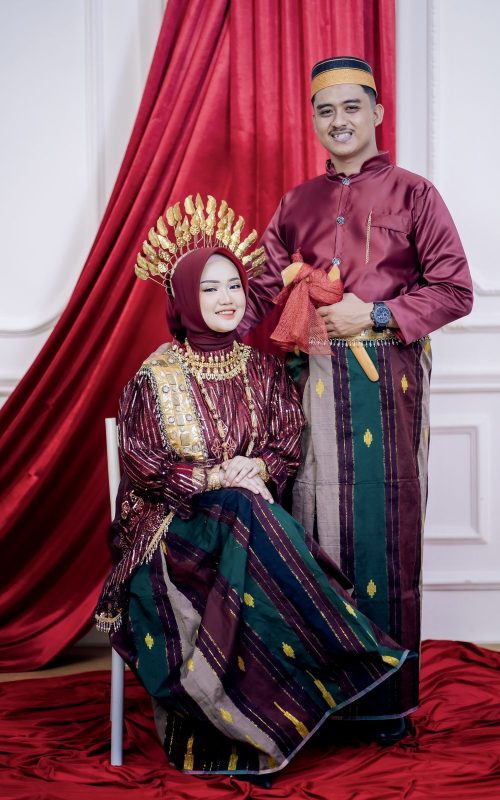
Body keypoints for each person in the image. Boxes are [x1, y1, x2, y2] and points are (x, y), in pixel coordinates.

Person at [95, 195, 412, 779]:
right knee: (242, 507)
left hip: (245, 531)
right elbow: (144, 467)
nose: (226, 299)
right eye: (209, 288)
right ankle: (342, 641)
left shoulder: (262, 369)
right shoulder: (155, 375)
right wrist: (223, 477)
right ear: (183, 297)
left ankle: (283, 698)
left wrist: (259, 467)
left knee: (245, 509)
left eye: (234, 287)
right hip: (171, 537)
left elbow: (286, 441)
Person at [238, 57, 474, 741]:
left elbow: (455, 289)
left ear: (376, 113)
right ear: (313, 120)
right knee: (309, 531)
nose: (338, 121)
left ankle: (383, 704)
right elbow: (258, 290)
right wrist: (201, 310)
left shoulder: (415, 195)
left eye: (350, 107)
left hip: (385, 388)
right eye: (324, 110)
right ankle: (319, 700)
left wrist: (373, 314)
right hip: (306, 390)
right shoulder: (296, 204)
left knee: (383, 535)